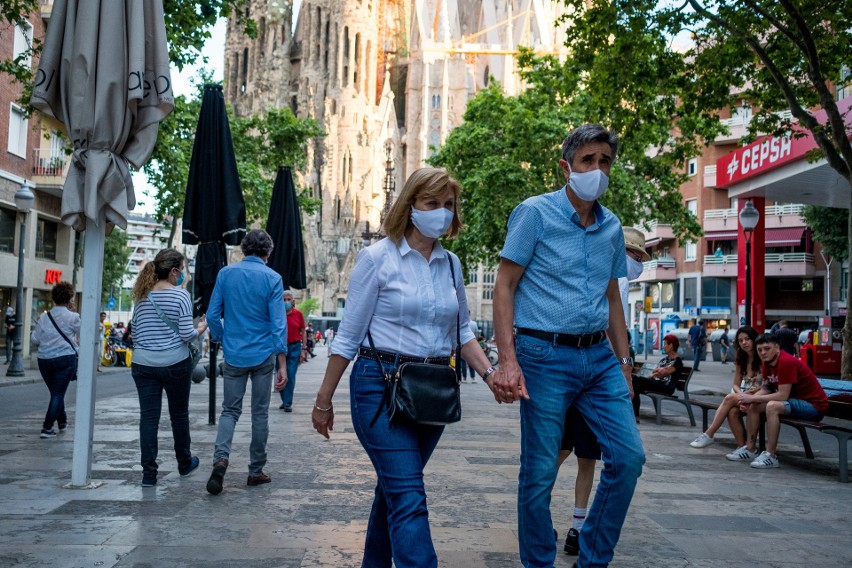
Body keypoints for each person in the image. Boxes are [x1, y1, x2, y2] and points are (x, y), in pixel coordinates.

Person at [312, 167, 494, 567]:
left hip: (431, 392)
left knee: (394, 491)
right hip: (379, 385)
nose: (442, 213)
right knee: (409, 495)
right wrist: (323, 399)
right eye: (432, 204)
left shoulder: (452, 265)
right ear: (410, 205)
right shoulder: (377, 259)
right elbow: (348, 335)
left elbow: (463, 331)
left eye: (449, 205)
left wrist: (491, 374)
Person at [491, 124, 644, 568]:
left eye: (605, 161)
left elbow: (612, 297)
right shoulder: (534, 214)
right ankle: (538, 562)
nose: (597, 169)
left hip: (598, 357)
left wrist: (625, 363)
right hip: (543, 355)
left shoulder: (612, 226)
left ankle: (592, 559)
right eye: (588, 161)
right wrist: (508, 360)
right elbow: (505, 286)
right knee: (539, 473)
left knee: (629, 458)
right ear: (566, 167)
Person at [559, 224, 648, 557]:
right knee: (588, 458)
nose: (637, 262)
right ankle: (578, 527)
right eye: (635, 254)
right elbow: (612, 327)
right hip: (599, 375)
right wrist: (622, 371)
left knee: (562, 452)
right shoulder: (618, 278)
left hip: (574, 368)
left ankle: (555, 521)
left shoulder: (593, 270)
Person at [205, 230, 288, 495]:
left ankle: (221, 458)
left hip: (234, 353)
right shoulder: (273, 278)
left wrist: (221, 338)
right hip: (263, 355)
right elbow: (278, 324)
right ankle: (255, 470)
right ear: (268, 252)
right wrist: (282, 363)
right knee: (260, 412)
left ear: (243, 249)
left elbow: (211, 314)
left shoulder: (225, 274)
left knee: (230, 410)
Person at [130, 249, 207, 487]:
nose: (182, 274)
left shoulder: (141, 295)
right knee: (179, 415)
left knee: (148, 418)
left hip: (143, 364)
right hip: (175, 363)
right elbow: (186, 334)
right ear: (174, 271)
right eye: (181, 270)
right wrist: (201, 328)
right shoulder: (180, 296)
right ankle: (184, 462)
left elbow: (135, 332)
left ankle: (149, 474)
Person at [731, 332, 828, 469]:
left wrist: (752, 397)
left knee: (772, 406)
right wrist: (751, 400)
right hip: (794, 402)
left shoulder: (786, 362)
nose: (763, 353)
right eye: (759, 350)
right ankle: (750, 449)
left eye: (767, 348)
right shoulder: (767, 363)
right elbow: (767, 387)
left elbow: (782, 395)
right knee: (754, 405)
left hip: (814, 406)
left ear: (777, 347)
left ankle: (771, 455)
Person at [689, 326, 762, 451]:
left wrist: (746, 396)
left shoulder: (762, 356)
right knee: (732, 412)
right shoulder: (741, 359)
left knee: (729, 398)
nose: (744, 343)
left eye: (747, 339)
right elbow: (735, 385)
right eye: (740, 340)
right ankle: (742, 447)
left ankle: (709, 433)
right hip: (744, 397)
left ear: (754, 339)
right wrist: (742, 395)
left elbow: (766, 386)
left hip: (760, 397)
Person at [30, 282, 80, 439]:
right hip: (65, 359)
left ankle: (62, 422)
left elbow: (35, 340)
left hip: (44, 360)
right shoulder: (74, 317)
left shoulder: (44, 317)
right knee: (58, 393)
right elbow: (83, 336)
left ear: (54, 298)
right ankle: (47, 427)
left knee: (56, 392)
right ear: (69, 299)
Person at [632, 334, 684, 419]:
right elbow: (656, 371)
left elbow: (662, 373)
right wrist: (658, 371)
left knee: (634, 379)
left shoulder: (677, 361)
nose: (663, 347)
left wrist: (659, 371)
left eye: (665, 344)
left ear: (671, 346)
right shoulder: (664, 360)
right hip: (658, 383)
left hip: (666, 387)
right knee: (636, 387)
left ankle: (634, 414)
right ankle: (635, 415)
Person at [278, 290, 307, 412]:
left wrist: (304, 349)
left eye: (288, 299)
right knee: (280, 374)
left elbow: (303, 331)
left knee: (290, 373)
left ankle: (288, 402)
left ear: (293, 301)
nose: (286, 302)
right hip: (280, 348)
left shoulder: (298, 314)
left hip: (294, 347)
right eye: (284, 300)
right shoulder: (278, 315)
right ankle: (284, 399)